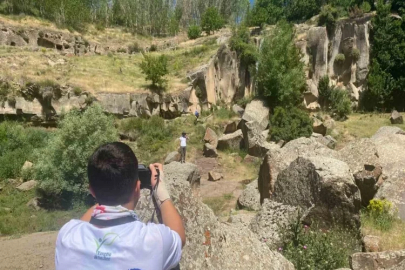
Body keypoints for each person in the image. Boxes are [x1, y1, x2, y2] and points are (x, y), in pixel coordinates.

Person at [55, 142, 186, 270]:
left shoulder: (67, 236)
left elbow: (83, 222)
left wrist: (105, 191)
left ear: (92, 191)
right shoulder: (154, 241)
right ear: (137, 188)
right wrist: (160, 190)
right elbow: (179, 237)